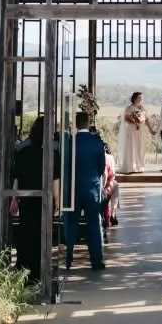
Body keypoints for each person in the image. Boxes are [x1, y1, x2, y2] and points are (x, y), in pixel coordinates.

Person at [63, 111, 108, 271]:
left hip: (73, 189)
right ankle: (96, 260)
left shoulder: (70, 143)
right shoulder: (97, 143)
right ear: (88, 124)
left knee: (71, 224)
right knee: (93, 224)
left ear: (76, 124)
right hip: (91, 188)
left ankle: (68, 259)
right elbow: (102, 168)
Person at [10, 116, 48, 286]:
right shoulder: (50, 154)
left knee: (26, 232)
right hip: (43, 201)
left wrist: (14, 198)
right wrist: (56, 200)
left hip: (26, 199)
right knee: (41, 235)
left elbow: (16, 177)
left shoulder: (23, 151)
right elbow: (55, 181)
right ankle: (38, 271)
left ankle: (23, 268)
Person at [116, 92, 154, 174]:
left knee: (139, 147)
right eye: (139, 97)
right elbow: (126, 119)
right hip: (132, 130)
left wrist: (150, 130)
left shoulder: (142, 108)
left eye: (141, 97)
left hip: (140, 131)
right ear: (134, 98)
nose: (140, 99)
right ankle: (131, 166)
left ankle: (139, 166)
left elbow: (146, 119)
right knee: (132, 147)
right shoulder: (129, 108)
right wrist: (135, 123)